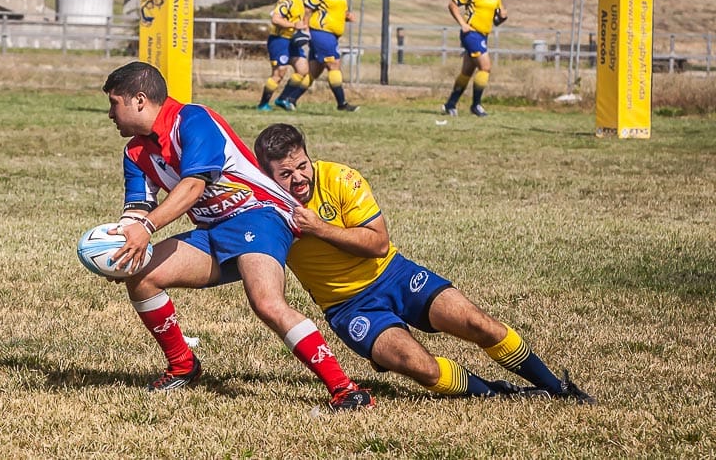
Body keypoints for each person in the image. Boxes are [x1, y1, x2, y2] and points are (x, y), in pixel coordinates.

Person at [253, 122, 596, 404]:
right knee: (422, 368)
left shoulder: (341, 179)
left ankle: (557, 389)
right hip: (348, 308)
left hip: (394, 274)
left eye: (302, 165)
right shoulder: (265, 213)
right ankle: (498, 394)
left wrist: (319, 228)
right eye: (285, 174)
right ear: (269, 177)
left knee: (479, 324)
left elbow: (377, 243)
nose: (299, 178)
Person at [101, 61, 374, 411]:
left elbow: (193, 185)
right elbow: (137, 208)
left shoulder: (193, 120)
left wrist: (147, 229)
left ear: (139, 100)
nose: (111, 113)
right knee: (142, 275)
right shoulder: (134, 153)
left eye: (114, 102)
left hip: (260, 216)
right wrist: (121, 248)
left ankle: (346, 390)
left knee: (266, 302)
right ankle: (183, 365)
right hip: (214, 231)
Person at [278, 0, 358, 112]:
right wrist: (306, 28)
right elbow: (308, 8)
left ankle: (290, 99)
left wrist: (347, 16)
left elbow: (338, 12)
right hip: (321, 32)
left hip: (332, 35)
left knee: (314, 70)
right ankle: (342, 103)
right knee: (334, 64)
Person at [442, 0, 507, 117]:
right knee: (485, 67)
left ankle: (450, 104)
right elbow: (452, 5)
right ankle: (476, 105)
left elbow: (496, 21)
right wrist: (463, 24)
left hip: (483, 35)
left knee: (467, 72)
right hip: (471, 34)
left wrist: (502, 18)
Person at [257, 0, 311, 112]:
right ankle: (263, 104)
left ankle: (283, 98)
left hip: (292, 41)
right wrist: (294, 25)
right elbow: (276, 19)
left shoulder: (299, 1)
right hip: (279, 40)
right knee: (279, 73)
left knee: (303, 69)